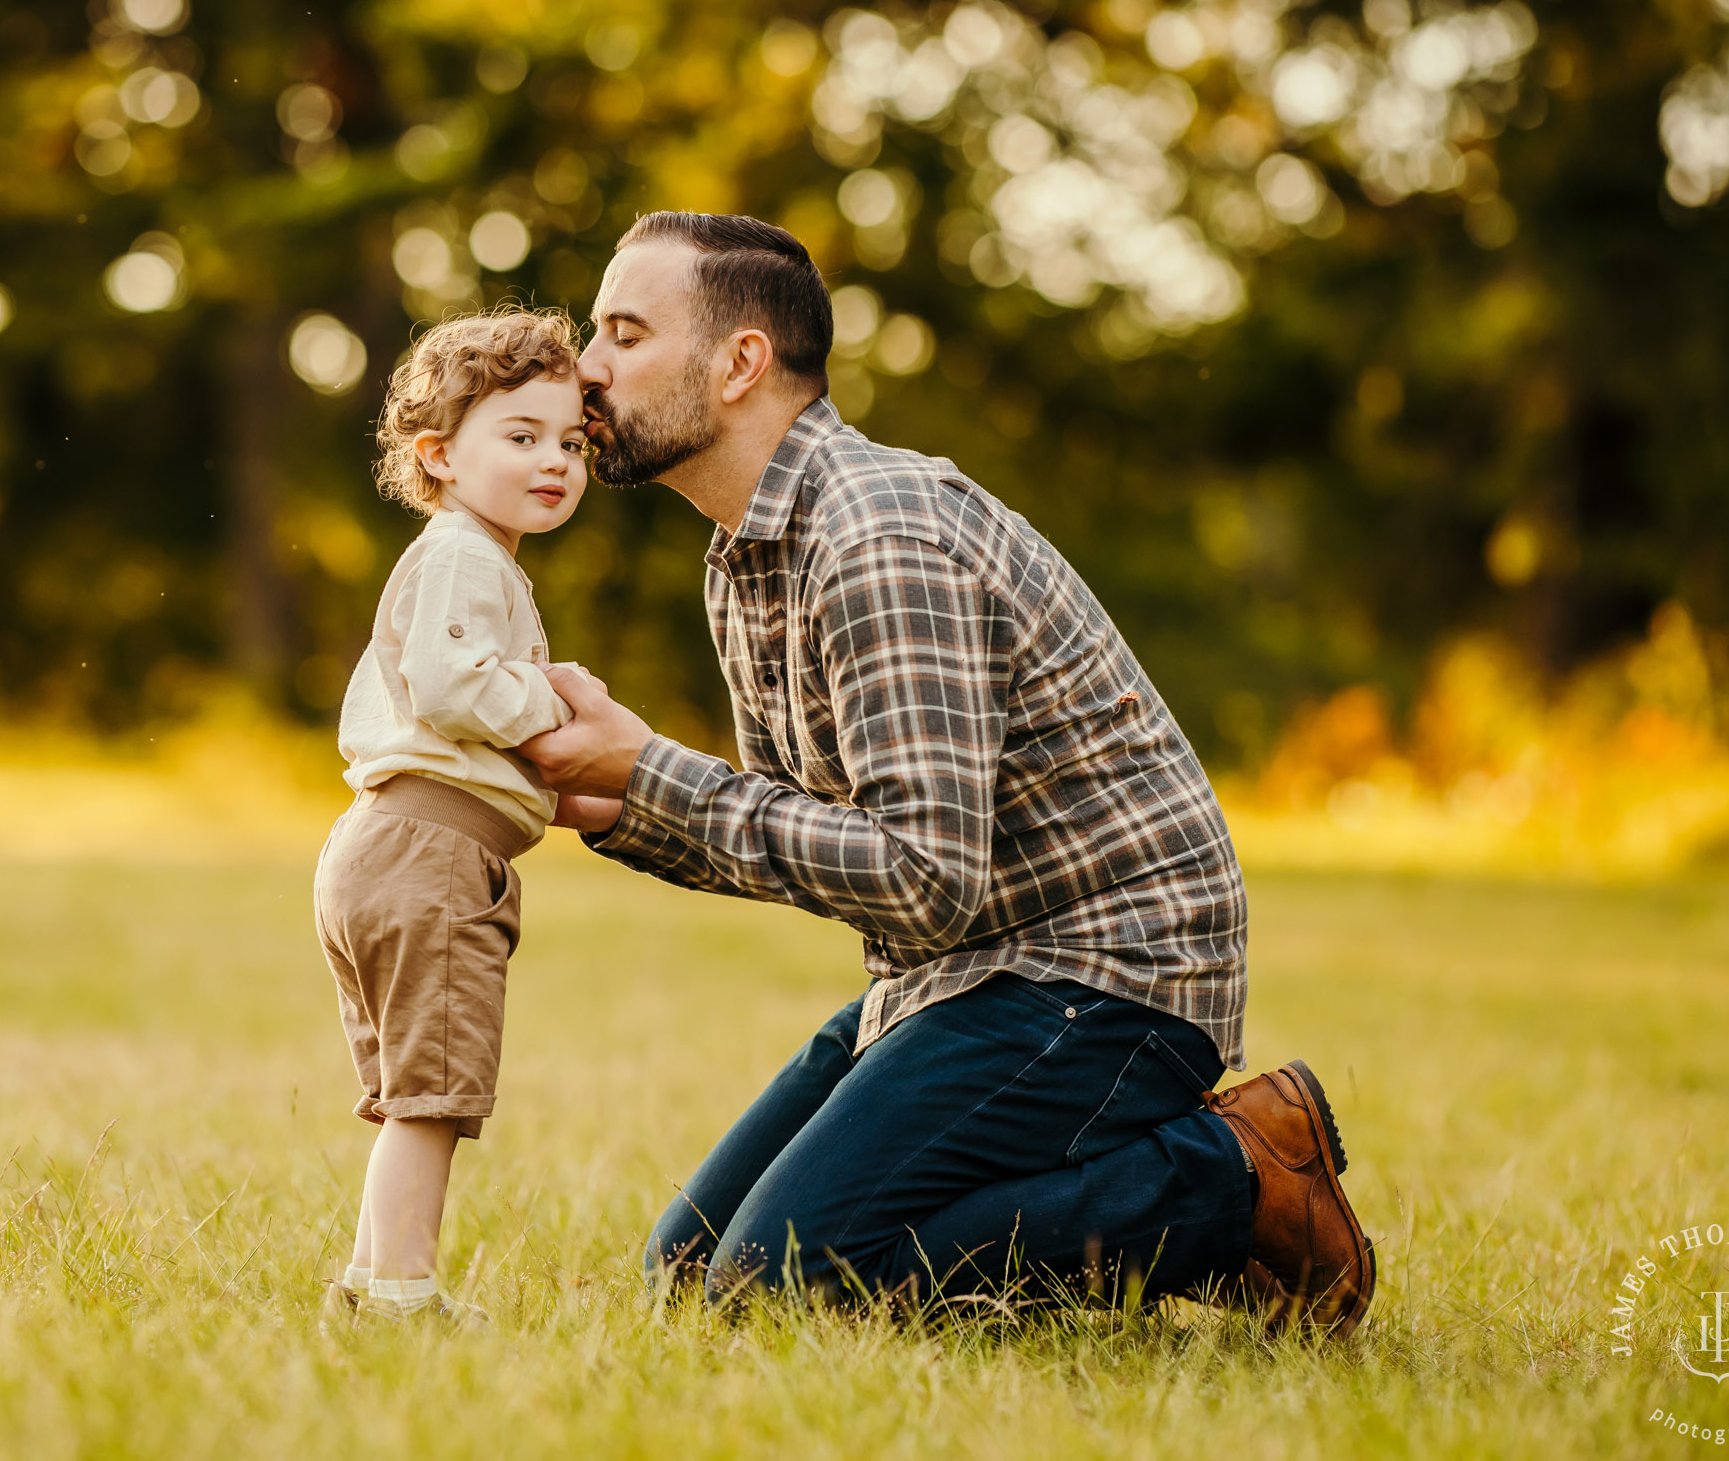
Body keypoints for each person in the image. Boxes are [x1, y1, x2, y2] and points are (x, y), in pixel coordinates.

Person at [518, 213, 1374, 1332]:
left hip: (1106, 977)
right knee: (688, 1276)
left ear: (740, 363)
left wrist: (658, 771)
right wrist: (622, 802)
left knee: (777, 1290)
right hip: (955, 972)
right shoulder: (747, 557)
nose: (587, 367)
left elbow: (925, 875)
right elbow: (816, 839)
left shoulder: (879, 535)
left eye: (624, 334)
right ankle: (1127, 1198)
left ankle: (1235, 1182)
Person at [316, 307, 589, 1326]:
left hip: (401, 845)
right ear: (439, 453)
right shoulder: (466, 556)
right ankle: (398, 1289)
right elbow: (444, 685)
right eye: (520, 436)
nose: (554, 459)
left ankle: (373, 1277)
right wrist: (553, 702)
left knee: (412, 1091)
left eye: (571, 440)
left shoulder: (474, 559)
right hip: (426, 851)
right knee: (434, 1094)